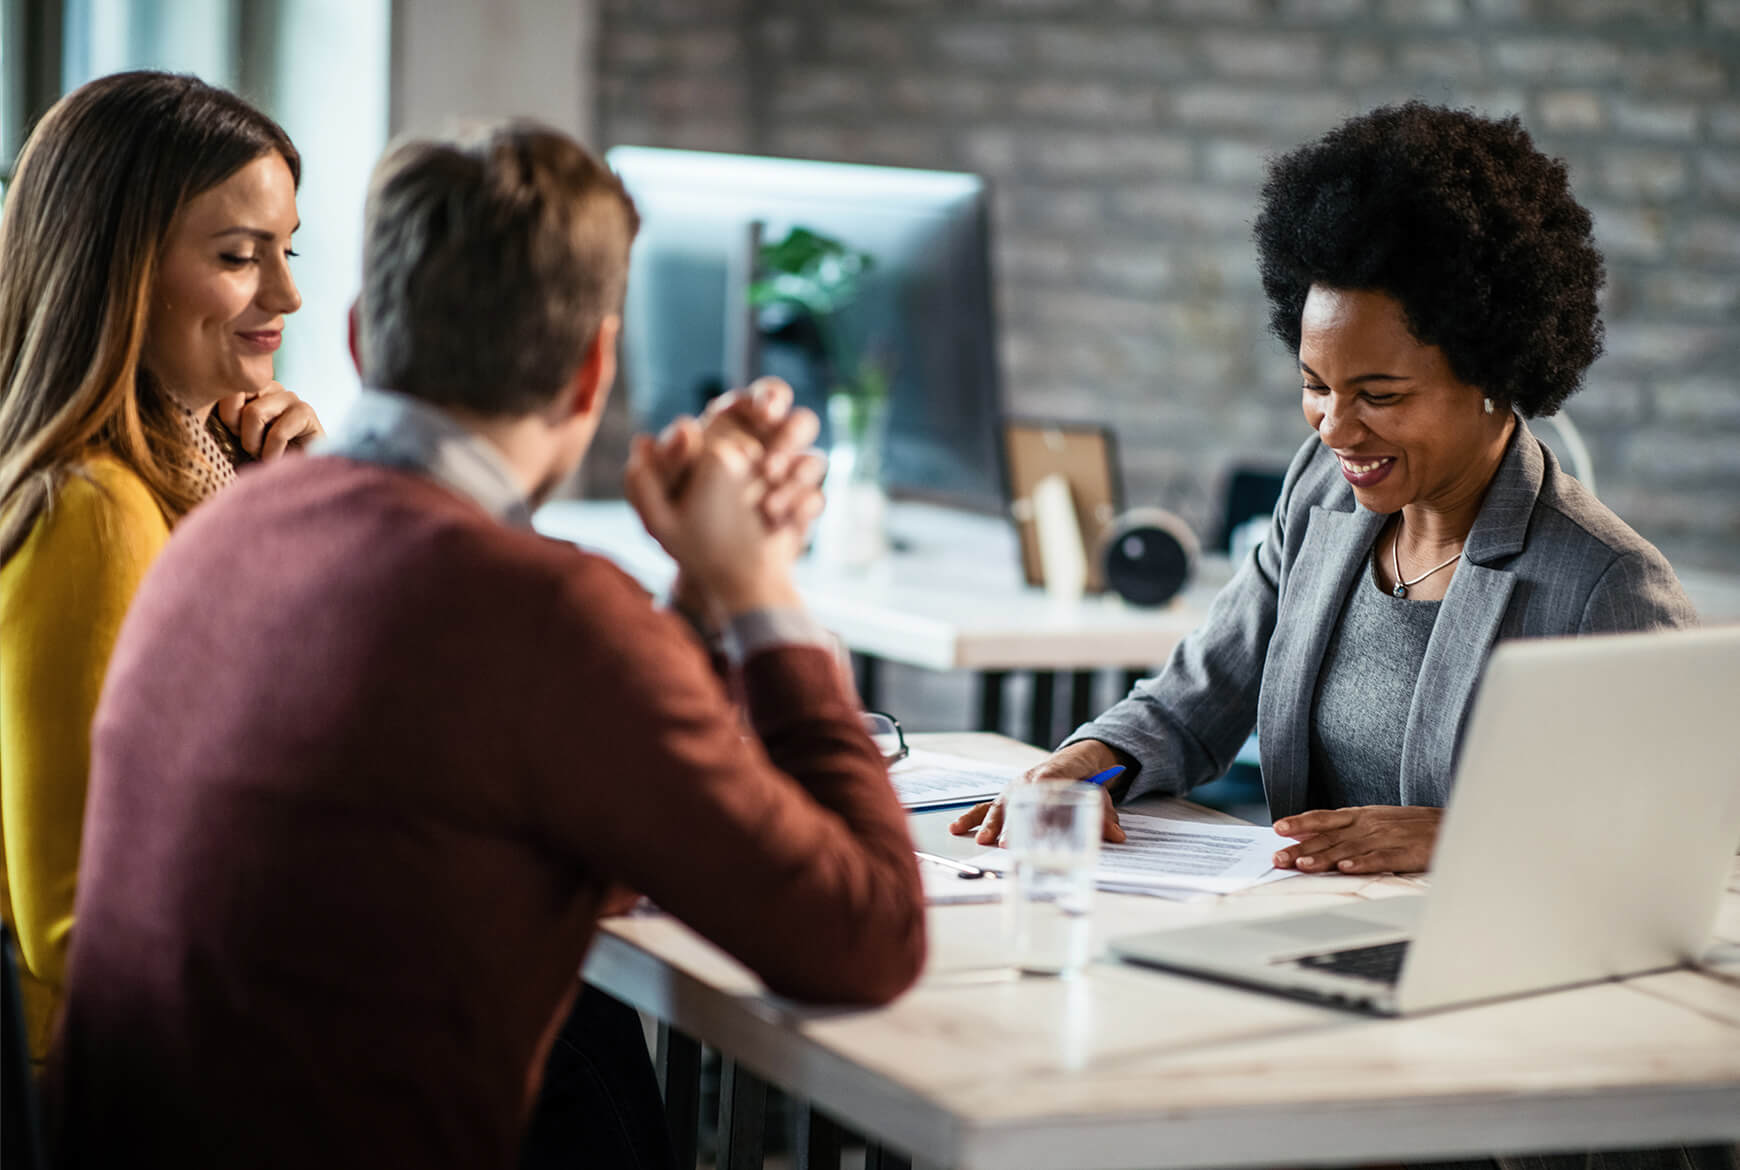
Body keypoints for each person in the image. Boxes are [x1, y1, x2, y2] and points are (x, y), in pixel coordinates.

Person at [49, 121, 925, 1169]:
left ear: (366, 336)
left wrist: (692, 602)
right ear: (594, 368)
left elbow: (544, 805)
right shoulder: (548, 614)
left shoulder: (218, 525)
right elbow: (868, 941)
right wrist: (762, 590)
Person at [952, 101, 1695, 873]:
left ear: (1493, 376)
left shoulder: (1607, 585)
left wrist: (1464, 837)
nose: (1334, 429)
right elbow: (1193, 701)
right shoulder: (1322, 494)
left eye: (1379, 396)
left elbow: (1680, 838)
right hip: (1303, 939)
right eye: (1315, 385)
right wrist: (1090, 762)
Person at [0, 70, 322, 1064]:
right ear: (120, 269)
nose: (287, 295)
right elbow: (86, 921)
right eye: (238, 257)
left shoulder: (186, 472)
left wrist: (282, 508)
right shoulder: (95, 513)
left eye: (288, 252)